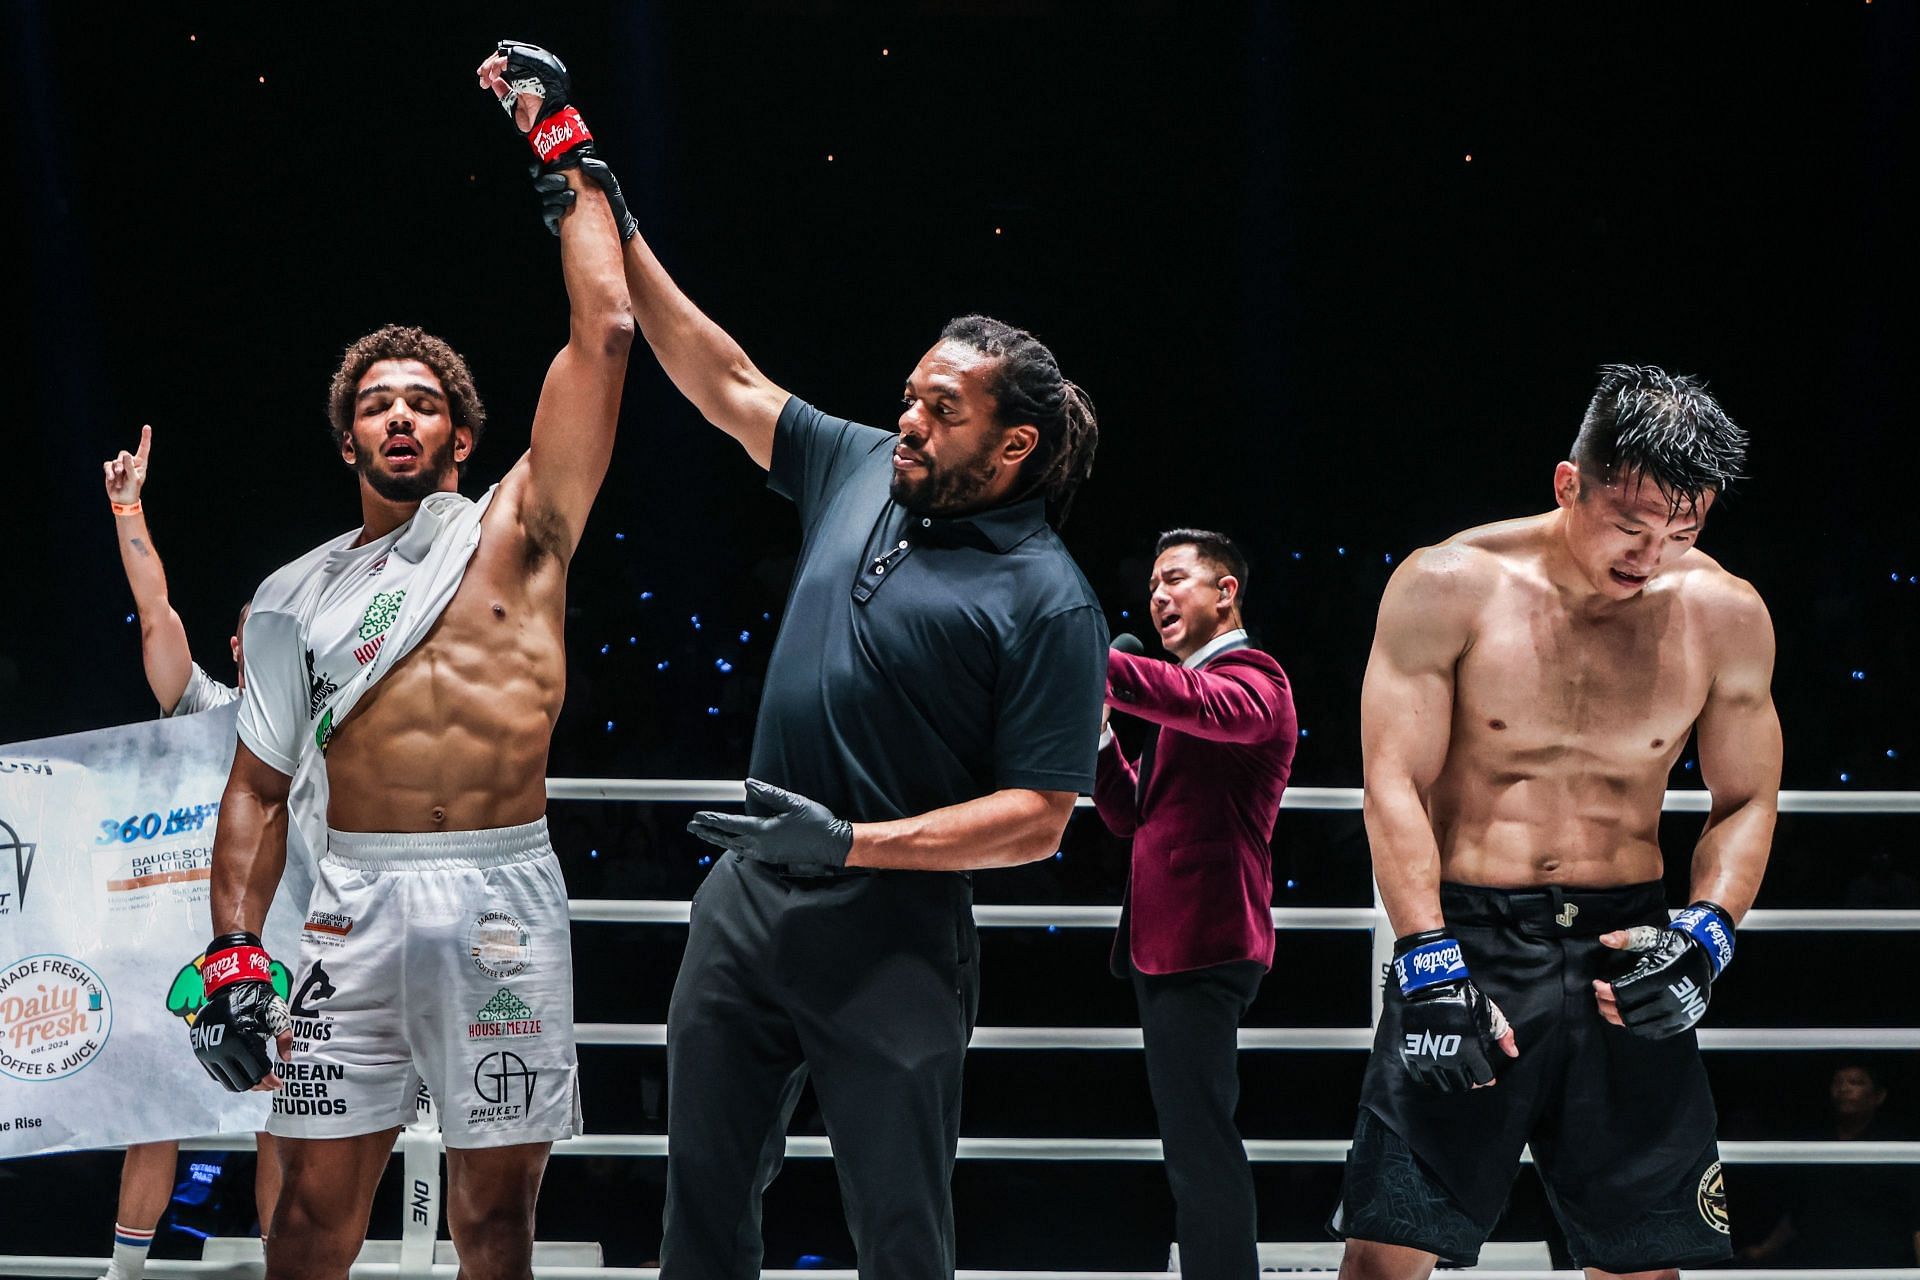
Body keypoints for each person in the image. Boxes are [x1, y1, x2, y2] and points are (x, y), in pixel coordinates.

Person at [558, 103, 1104, 1274]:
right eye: (911, 394)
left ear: (1011, 449)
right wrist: (613, 210)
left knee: (900, 1228)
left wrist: (852, 841)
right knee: (699, 1198)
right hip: (749, 901)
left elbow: (1040, 819)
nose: (909, 419)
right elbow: (725, 378)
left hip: (895, 933)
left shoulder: (1049, 597)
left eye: (942, 411)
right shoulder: (862, 462)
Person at [186, 41, 633, 1280]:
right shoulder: (292, 596)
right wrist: (232, 951)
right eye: (375, 402)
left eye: (422, 400)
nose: (397, 414)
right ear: (348, 442)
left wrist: (562, 148)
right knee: (304, 1222)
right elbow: (258, 788)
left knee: (498, 1226)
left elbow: (605, 330)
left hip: (502, 899)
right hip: (350, 905)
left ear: (463, 432)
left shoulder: (525, 528)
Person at [1330, 365, 1780, 1279]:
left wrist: (1706, 936)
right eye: (1631, 525)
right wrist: (1424, 957)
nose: (1651, 555)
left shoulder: (1724, 612)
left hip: (1630, 941)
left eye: (1683, 530)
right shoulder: (1448, 584)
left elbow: (1745, 801)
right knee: (1391, 1252)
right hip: (1472, 938)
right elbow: (1394, 783)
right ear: (1568, 483)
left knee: (1644, 1260)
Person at [98, 426, 281, 1279]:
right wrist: (129, 508)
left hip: (285, 944)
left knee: (289, 1114)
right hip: (186, 943)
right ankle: (125, 1274)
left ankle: (294, 1267)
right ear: (239, 648)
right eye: (252, 635)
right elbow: (155, 616)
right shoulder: (199, 704)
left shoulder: (325, 733)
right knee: (154, 1108)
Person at [1093, 528, 1297, 1279]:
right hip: (1168, 941)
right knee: (1190, 1139)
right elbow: (1130, 812)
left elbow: (1205, 704)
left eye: (1175, 578)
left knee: (1201, 1140)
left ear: (1225, 591)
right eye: (1152, 585)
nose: (1157, 596)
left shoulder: (1255, 678)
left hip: (1207, 938)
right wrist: (1098, 734)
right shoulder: (1188, 698)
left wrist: (1090, 661)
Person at [1739, 1063, 1920, 1268]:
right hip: (1820, 1261)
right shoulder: (1816, 1144)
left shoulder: (1896, 1149)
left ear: (1878, 1096)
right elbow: (1800, 1211)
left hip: (1878, 1263)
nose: (1844, 1088)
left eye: (1855, 1082)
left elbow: (1916, 1219)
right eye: (1838, 1082)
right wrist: (1766, 1249)